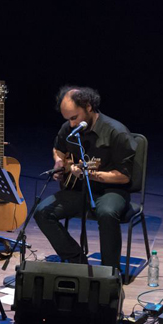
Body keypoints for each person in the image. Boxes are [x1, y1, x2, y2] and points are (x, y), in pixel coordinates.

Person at [34, 86, 136, 271]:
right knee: (42, 211)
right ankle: (77, 262)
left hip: (112, 191)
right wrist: (59, 162)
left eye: (74, 117)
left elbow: (124, 177)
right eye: (68, 119)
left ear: (88, 106)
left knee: (106, 213)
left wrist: (90, 174)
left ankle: (110, 272)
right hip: (79, 190)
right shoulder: (69, 129)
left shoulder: (116, 132)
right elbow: (58, 148)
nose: (71, 124)